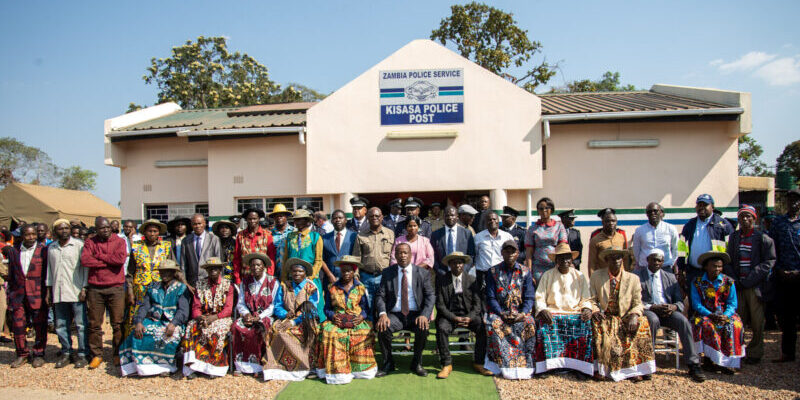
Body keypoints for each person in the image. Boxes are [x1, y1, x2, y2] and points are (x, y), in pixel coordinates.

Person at [636, 249, 705, 382]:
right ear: (647, 260)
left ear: (663, 262)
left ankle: (693, 363)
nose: (656, 262)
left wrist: (673, 307)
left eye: (659, 260)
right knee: (653, 320)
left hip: (667, 311)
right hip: (648, 310)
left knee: (683, 322)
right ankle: (647, 363)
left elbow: (679, 301)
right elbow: (636, 300)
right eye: (653, 259)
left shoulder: (671, 277)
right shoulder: (638, 276)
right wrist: (652, 307)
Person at [589, 247, 655, 382]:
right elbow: (591, 299)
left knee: (642, 323)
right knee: (598, 325)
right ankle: (604, 369)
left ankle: (638, 369)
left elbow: (638, 303)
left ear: (623, 260)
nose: (616, 261)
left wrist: (635, 315)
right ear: (607, 260)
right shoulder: (597, 276)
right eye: (612, 258)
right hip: (606, 316)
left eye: (619, 257)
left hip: (626, 316)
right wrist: (595, 310)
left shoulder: (633, 278)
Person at [119, 259, 191, 377]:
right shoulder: (153, 286)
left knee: (169, 334)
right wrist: (139, 321)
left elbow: (183, 311)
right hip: (154, 320)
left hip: (173, 322)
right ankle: (138, 366)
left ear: (173, 273)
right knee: (139, 332)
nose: (165, 275)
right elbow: (144, 306)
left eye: (168, 272)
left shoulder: (181, 288)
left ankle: (165, 367)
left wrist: (173, 323)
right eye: (162, 272)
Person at [532, 243, 594, 377]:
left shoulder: (579, 276)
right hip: (553, 312)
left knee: (585, 325)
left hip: (574, 313)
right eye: (561, 258)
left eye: (567, 258)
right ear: (556, 260)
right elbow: (540, 297)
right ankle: (549, 367)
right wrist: (542, 310)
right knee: (545, 325)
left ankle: (579, 367)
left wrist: (586, 309)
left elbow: (586, 298)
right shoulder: (547, 275)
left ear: (572, 259)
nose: (565, 261)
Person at [374, 243, 435, 377]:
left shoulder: (422, 273)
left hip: (415, 314)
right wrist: (383, 314)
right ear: (395, 255)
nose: (402, 256)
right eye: (399, 253)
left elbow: (430, 295)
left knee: (423, 327)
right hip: (395, 314)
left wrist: (425, 315)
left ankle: (417, 362)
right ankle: (388, 362)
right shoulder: (388, 272)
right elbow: (380, 295)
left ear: (411, 255)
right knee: (383, 326)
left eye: (405, 253)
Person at [724, 205, 775, 365]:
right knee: (739, 320)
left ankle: (755, 352)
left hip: (755, 287)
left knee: (757, 321)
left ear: (754, 219)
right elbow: (728, 260)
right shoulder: (734, 238)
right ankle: (739, 350)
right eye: (742, 217)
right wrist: (735, 279)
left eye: (748, 217)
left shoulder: (763, 238)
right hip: (738, 286)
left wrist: (751, 279)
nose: (745, 219)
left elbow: (769, 262)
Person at [316, 256, 377, 384]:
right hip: (338, 319)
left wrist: (361, 317)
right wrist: (333, 316)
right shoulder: (332, 288)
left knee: (363, 333)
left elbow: (366, 308)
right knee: (330, 333)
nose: (346, 273)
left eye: (349, 270)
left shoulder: (360, 288)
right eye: (344, 271)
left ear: (354, 271)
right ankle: (338, 372)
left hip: (356, 320)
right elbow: (327, 308)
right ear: (340, 271)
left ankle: (359, 369)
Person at [81, 217, 129, 370]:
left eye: (108, 227)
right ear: (96, 229)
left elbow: (120, 260)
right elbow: (85, 261)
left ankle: (117, 353)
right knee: (95, 324)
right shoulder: (90, 242)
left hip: (115, 287)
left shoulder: (120, 241)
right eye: (102, 228)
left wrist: (99, 256)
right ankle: (97, 354)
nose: (106, 230)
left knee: (118, 323)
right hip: (96, 288)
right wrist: (109, 261)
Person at [484, 240, 536, 379]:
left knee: (529, 322)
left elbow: (530, 297)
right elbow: (490, 297)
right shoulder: (493, 271)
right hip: (499, 311)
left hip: (519, 312)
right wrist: (501, 313)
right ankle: (501, 365)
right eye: (506, 251)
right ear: (502, 253)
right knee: (493, 324)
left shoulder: (525, 272)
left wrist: (523, 313)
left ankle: (525, 365)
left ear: (518, 253)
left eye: (513, 251)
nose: (510, 254)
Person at [263, 257, 320, 381]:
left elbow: (312, 310)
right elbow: (277, 306)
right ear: (290, 273)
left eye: (300, 271)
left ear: (305, 273)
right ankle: (279, 367)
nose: (297, 274)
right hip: (286, 319)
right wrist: (285, 314)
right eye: (294, 271)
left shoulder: (311, 288)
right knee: (276, 331)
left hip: (305, 320)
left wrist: (294, 321)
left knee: (302, 332)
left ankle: (305, 366)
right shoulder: (284, 286)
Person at [435, 251, 490, 379]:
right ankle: (446, 364)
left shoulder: (472, 280)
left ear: (464, 264)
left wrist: (469, 317)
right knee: (442, 328)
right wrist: (453, 317)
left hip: (468, 315)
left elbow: (477, 304)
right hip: (450, 316)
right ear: (449, 265)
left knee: (482, 327)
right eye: (454, 263)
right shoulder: (442, 280)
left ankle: (479, 362)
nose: (458, 265)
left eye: (460, 263)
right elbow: (440, 305)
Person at [690, 251, 745, 373]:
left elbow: (732, 303)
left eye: (719, 266)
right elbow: (696, 304)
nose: (717, 269)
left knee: (734, 325)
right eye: (714, 266)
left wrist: (725, 315)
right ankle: (709, 360)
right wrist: (710, 314)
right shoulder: (697, 282)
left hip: (725, 313)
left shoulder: (728, 282)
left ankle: (727, 362)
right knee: (706, 325)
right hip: (705, 313)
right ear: (706, 267)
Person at [182, 257, 234, 379]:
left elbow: (228, 309)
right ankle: (193, 367)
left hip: (221, 317)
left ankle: (213, 367)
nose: (213, 271)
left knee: (217, 330)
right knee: (192, 326)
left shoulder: (228, 285)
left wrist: (214, 318)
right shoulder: (200, 284)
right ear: (206, 270)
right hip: (204, 317)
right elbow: (196, 306)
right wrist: (200, 318)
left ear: (221, 269)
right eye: (210, 269)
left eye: (216, 268)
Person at [47, 219, 89, 369]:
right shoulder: (51, 248)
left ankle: (83, 354)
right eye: (60, 228)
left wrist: (84, 287)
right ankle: (66, 352)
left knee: (81, 325)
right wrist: (48, 290)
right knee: (61, 324)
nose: (64, 230)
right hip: (58, 291)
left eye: (66, 228)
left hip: (76, 291)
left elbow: (85, 269)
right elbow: (49, 272)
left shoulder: (78, 245)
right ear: (55, 231)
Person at [6, 224, 48, 368]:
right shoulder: (13, 251)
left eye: (33, 234)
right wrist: (10, 294)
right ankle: (22, 354)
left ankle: (38, 354)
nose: (31, 237)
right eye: (27, 235)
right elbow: (11, 274)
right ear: (22, 236)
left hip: (37, 294)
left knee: (39, 325)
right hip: (18, 295)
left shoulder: (44, 250)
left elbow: (47, 274)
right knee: (18, 325)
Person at [231, 252, 277, 376]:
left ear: (264, 266)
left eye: (258, 265)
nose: (255, 268)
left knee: (259, 328)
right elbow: (241, 302)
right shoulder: (245, 282)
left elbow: (274, 305)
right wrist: (246, 314)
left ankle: (258, 366)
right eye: (253, 265)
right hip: (249, 315)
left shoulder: (273, 282)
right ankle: (241, 365)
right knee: (237, 326)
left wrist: (260, 317)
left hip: (265, 316)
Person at [126, 219, 174, 337]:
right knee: (138, 316)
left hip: (160, 288)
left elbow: (173, 267)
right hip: (140, 289)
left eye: (155, 231)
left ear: (159, 232)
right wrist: (130, 292)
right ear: (144, 232)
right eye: (149, 231)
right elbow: (130, 272)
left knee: (157, 315)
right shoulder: (136, 248)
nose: (152, 234)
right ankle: (135, 344)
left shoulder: (166, 246)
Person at [281, 209, 331, 321]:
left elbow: (318, 260)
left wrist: (309, 278)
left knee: (314, 307)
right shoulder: (290, 236)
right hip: (293, 278)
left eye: (301, 220)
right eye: (296, 220)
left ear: (308, 221)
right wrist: (284, 279)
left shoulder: (315, 236)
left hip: (311, 279)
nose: (297, 223)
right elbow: (285, 260)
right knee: (292, 307)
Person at [769, 189, 800, 363]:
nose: (793, 203)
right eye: (790, 200)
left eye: (796, 200)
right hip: (783, 276)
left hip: (799, 275)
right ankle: (787, 353)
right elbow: (773, 249)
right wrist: (779, 269)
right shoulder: (778, 223)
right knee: (786, 318)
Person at [677, 194, 734, 288]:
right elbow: (682, 249)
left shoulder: (723, 225)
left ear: (713, 207)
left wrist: (727, 270)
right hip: (693, 272)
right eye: (699, 205)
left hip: (716, 273)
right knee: (695, 301)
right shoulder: (690, 225)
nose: (702, 207)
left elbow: (731, 249)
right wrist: (681, 269)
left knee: (715, 301)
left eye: (705, 205)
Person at [353, 207, 395, 305]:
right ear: (367, 218)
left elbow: (393, 256)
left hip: (384, 276)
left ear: (382, 218)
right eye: (371, 216)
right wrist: (356, 275)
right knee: (367, 306)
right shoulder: (361, 235)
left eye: (377, 216)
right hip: (366, 277)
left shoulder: (390, 234)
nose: (374, 218)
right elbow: (356, 258)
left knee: (385, 306)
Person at [524, 198, 567, 284]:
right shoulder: (532, 229)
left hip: (556, 267)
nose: (544, 210)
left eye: (547, 208)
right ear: (538, 211)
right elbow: (529, 253)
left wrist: (562, 266)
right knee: (540, 294)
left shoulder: (559, 226)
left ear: (552, 209)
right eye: (541, 208)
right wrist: (529, 273)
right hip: (538, 269)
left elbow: (563, 248)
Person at [233, 208, 276, 284]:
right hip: (246, 276)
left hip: (263, 277)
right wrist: (237, 279)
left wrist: (269, 275)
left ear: (259, 219)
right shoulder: (240, 235)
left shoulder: (267, 235)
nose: (252, 221)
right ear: (246, 220)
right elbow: (237, 258)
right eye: (250, 219)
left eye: (254, 219)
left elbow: (271, 258)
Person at [632, 202, 679, 272]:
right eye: (649, 211)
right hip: (645, 269)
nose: (652, 213)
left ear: (660, 212)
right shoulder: (639, 230)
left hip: (665, 268)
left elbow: (675, 248)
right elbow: (636, 251)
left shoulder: (671, 229)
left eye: (655, 211)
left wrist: (671, 263)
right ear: (646, 214)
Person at [474, 212, 514, 291]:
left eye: (494, 219)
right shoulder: (478, 237)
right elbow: (474, 255)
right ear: (486, 222)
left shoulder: (507, 237)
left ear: (498, 221)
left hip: (502, 273)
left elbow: (513, 254)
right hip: (483, 275)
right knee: (484, 300)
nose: (492, 221)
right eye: (489, 219)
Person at [431, 205, 475, 276]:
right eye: (447, 215)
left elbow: (471, 255)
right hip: (442, 275)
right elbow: (432, 255)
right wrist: (439, 270)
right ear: (443, 217)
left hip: (462, 274)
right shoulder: (435, 234)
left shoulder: (467, 233)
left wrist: (464, 270)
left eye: (452, 215)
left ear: (457, 217)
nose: (450, 218)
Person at [181, 214, 221, 289]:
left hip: (210, 281)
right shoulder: (185, 241)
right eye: (194, 224)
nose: (197, 226)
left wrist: (218, 283)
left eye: (199, 223)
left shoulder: (214, 239)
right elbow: (183, 265)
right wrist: (186, 284)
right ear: (191, 225)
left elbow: (219, 263)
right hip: (192, 284)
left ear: (204, 223)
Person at [588, 208, 630, 275]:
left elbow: (625, 259)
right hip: (603, 277)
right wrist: (593, 280)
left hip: (620, 277)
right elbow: (592, 263)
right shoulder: (595, 240)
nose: (611, 223)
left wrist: (627, 275)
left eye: (613, 221)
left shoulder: (621, 237)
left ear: (616, 222)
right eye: (607, 221)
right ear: (602, 222)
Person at [321, 210, 357, 286]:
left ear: (346, 220)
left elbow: (357, 257)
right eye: (335, 218)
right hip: (330, 280)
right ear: (331, 221)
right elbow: (321, 259)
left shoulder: (354, 236)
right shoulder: (325, 238)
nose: (338, 220)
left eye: (340, 218)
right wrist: (329, 274)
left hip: (348, 280)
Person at [269, 203, 296, 276]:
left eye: (281, 216)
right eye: (276, 216)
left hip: (291, 272)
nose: (279, 218)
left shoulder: (294, 232)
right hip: (274, 272)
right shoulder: (269, 234)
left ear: (286, 216)